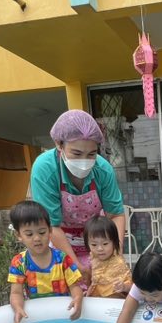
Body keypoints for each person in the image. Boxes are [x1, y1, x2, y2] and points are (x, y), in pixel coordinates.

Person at [28, 110, 125, 280]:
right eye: (77, 154)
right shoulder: (45, 169)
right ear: (59, 144)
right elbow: (51, 225)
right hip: (60, 239)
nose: (85, 161)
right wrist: (76, 265)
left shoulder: (103, 170)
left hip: (96, 241)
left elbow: (116, 214)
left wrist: (115, 253)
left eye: (92, 154)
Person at [7, 200, 83, 323]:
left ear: (50, 231)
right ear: (19, 235)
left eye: (42, 232)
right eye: (29, 234)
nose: (36, 238)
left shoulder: (62, 259)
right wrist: (18, 308)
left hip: (62, 314)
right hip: (39, 317)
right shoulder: (19, 262)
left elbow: (75, 287)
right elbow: (16, 292)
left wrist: (77, 299)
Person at [84, 215, 132, 299]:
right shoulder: (93, 258)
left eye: (105, 244)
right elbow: (93, 281)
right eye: (94, 244)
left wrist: (124, 286)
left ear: (114, 242)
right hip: (97, 300)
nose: (100, 249)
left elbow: (132, 288)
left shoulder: (118, 263)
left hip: (114, 300)